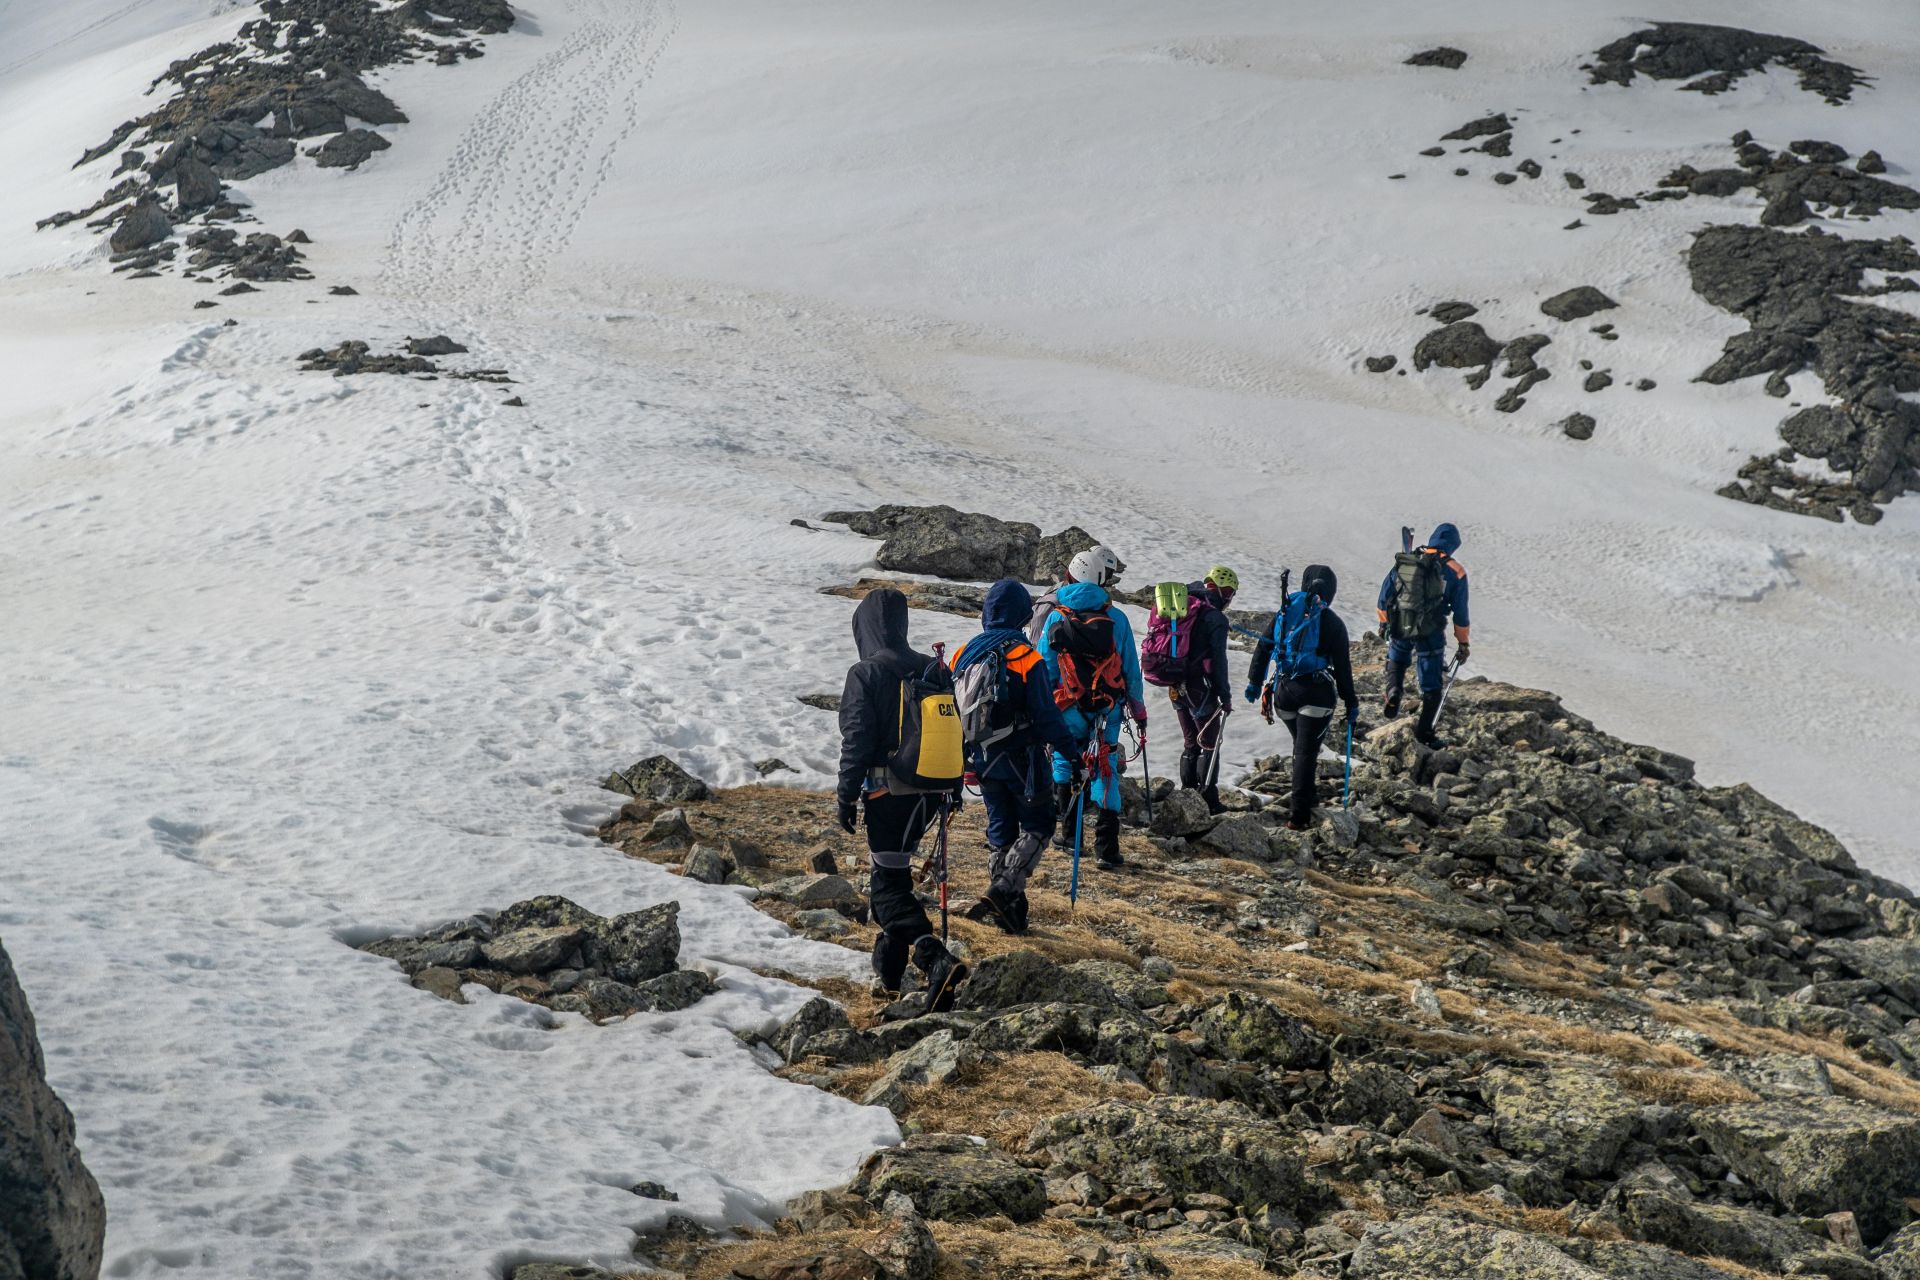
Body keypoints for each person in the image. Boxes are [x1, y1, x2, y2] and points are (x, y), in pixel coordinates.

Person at [835, 589, 967, 1005]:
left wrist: (846, 795)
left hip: (888, 793)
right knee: (892, 877)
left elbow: (856, 738)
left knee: (887, 889)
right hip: (933, 792)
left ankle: (933, 958)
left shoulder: (866, 673)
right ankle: (890, 977)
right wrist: (955, 788)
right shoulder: (932, 668)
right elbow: (954, 730)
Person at [950, 579, 1080, 933]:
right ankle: (1004, 889)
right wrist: (1072, 754)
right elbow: (1046, 715)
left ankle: (1010, 913)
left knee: (1000, 828)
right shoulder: (1026, 656)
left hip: (982, 756)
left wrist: (962, 761)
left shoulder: (964, 654)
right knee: (1039, 824)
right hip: (1023, 757)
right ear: (1022, 614)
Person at [1032, 546, 1148, 871]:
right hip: (1106, 711)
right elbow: (1131, 674)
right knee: (1104, 767)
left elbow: (1046, 670)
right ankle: (1106, 849)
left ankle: (1070, 838)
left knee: (1064, 762)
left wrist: (1044, 710)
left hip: (1067, 708)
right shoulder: (1118, 619)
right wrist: (1139, 713)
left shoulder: (1057, 616)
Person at [1245, 565, 1359, 830]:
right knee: (1305, 751)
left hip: (1282, 694)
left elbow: (1263, 647)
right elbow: (1343, 668)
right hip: (1316, 694)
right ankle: (1299, 816)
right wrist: (1351, 702)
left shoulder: (1285, 614)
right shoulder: (1332, 622)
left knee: (1302, 746)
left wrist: (1254, 683)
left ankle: (1309, 795)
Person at [1377, 523, 1471, 748]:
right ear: (1453, 545)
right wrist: (1463, 642)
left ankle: (1393, 691)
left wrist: (1384, 622)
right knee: (1431, 685)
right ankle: (1424, 733)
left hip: (1402, 622)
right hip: (1431, 630)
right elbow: (1461, 613)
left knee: (1397, 660)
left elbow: (1385, 594)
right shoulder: (1455, 571)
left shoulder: (1407, 561)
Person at [1170, 566, 1238, 813]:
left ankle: (1187, 794)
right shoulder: (1215, 618)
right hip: (1201, 688)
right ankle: (1208, 798)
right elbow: (1219, 661)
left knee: (1191, 741)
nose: (1229, 597)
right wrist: (1225, 696)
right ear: (1220, 589)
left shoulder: (1184, 606)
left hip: (1176, 683)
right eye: (1229, 591)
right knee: (1210, 742)